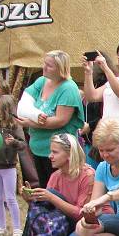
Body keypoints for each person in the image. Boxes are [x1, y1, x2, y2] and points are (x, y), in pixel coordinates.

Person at [20, 133, 108, 236]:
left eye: (55, 152)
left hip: (93, 223)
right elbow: (47, 212)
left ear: (69, 154)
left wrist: (51, 197)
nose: (50, 156)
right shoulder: (56, 176)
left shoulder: (88, 175)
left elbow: (82, 214)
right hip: (70, 222)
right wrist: (30, 199)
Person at [19, 51, 86, 188]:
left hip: (59, 151)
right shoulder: (41, 82)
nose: (44, 67)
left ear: (60, 68)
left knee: (57, 189)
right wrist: (33, 117)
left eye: (49, 66)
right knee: (44, 187)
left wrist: (30, 122)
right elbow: (24, 102)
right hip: (38, 148)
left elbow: (60, 120)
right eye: (44, 63)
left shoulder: (68, 88)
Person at [0, 95, 26, 236]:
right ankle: (1, 226)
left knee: (10, 198)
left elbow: (23, 145)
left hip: (8, 166)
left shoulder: (15, 126)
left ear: (8, 110)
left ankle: (17, 228)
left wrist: (14, 142)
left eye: (1, 110)